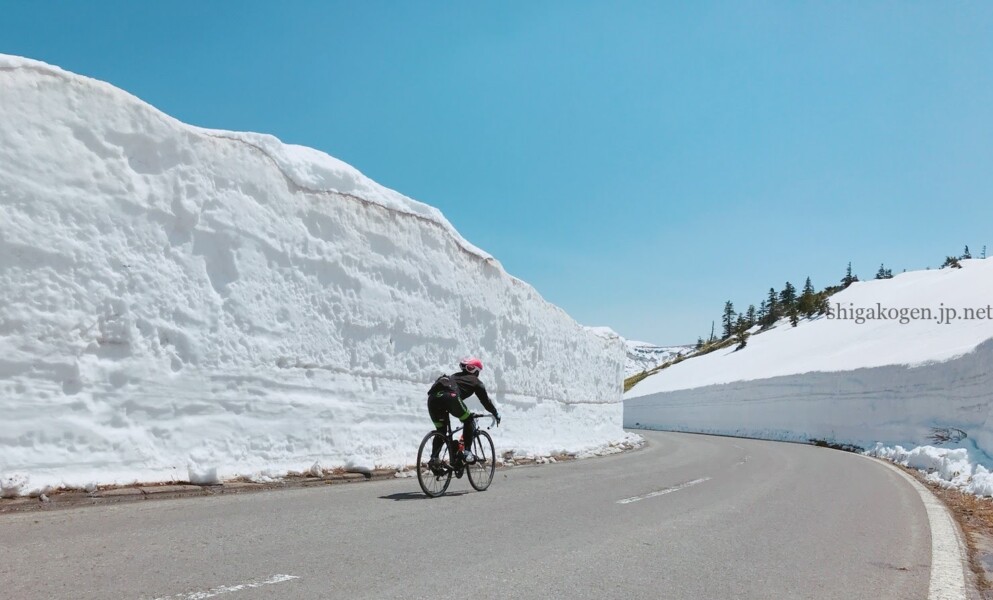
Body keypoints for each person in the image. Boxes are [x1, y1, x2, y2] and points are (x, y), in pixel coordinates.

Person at [427, 357, 500, 471]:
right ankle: (467, 452)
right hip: (450, 397)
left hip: (433, 399)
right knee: (468, 419)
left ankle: (434, 459)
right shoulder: (476, 381)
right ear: (475, 370)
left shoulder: (454, 376)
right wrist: (495, 412)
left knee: (441, 431)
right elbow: (485, 401)